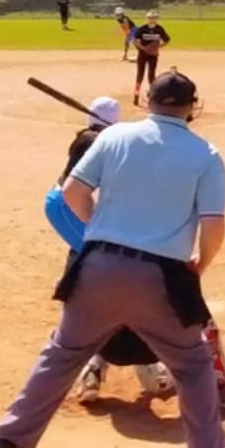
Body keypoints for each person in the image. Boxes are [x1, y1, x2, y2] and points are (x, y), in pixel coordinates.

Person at [0, 70, 225, 448]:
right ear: (193, 108)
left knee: (62, 353)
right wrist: (200, 265)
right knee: (193, 366)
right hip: (162, 275)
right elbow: (213, 225)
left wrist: (99, 231)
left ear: (147, 100)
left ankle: (7, 441)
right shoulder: (206, 154)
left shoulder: (113, 137)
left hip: (96, 267)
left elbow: (72, 193)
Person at [41, 96, 175, 401]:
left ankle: (96, 361)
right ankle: (130, 363)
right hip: (67, 206)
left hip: (65, 206)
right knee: (113, 267)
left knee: (95, 264)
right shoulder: (94, 140)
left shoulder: (92, 137)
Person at [130, 10, 170, 105]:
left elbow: (167, 40)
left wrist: (158, 47)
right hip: (142, 54)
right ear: (147, 18)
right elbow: (134, 40)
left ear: (157, 19)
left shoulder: (159, 29)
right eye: (150, 18)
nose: (152, 20)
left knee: (151, 75)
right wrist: (143, 48)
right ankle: (136, 94)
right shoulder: (142, 29)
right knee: (140, 74)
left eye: (154, 18)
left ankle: (153, 95)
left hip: (153, 55)